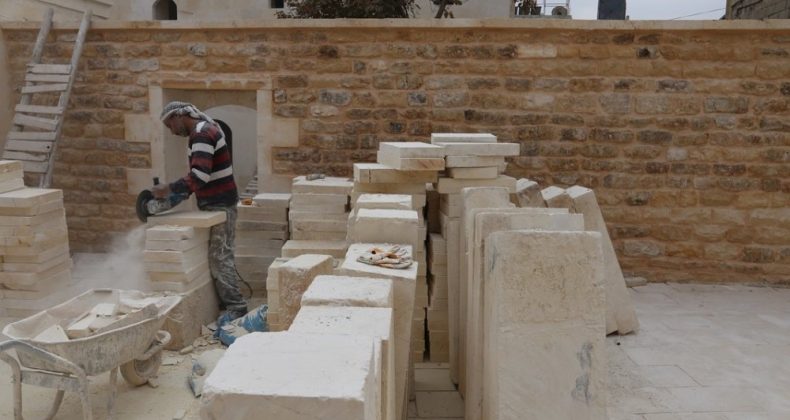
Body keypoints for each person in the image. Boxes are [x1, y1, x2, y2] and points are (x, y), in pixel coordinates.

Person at [154, 101, 248, 322]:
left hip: (220, 204)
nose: (171, 131)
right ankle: (225, 302)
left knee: (220, 256)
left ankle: (237, 307)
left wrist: (169, 189)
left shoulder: (202, 134)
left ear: (178, 116)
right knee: (218, 255)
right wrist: (173, 198)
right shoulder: (205, 129)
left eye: (169, 125)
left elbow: (199, 176)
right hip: (216, 201)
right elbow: (198, 179)